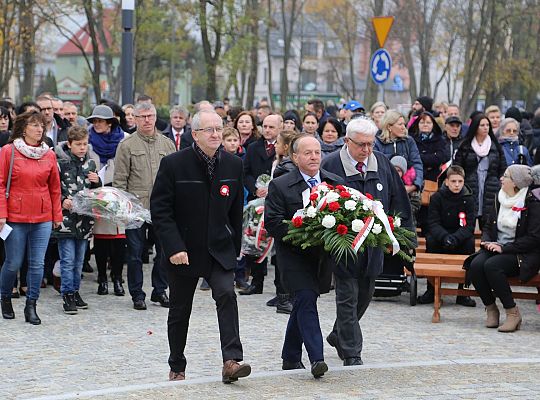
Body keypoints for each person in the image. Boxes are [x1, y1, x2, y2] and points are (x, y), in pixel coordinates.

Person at [150, 109, 251, 383]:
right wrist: (173, 247)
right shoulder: (173, 164)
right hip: (184, 250)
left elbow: (235, 211)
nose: (216, 134)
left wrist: (235, 245)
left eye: (219, 128)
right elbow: (160, 210)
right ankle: (177, 365)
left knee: (226, 295)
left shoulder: (233, 164)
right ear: (195, 134)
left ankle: (231, 360)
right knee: (180, 310)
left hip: (218, 248)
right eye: (209, 130)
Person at [321, 118, 414, 366]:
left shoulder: (381, 162)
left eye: (370, 144)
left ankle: (339, 333)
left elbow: (398, 199)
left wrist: (404, 235)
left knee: (365, 294)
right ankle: (352, 353)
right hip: (343, 243)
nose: (367, 150)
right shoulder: (330, 165)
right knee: (347, 294)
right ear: (347, 141)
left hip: (373, 243)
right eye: (361, 145)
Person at [265, 134, 343, 378]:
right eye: (308, 153)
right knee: (306, 299)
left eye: (317, 152)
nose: (314, 157)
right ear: (295, 157)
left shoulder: (334, 183)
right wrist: (304, 229)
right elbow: (273, 223)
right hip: (293, 257)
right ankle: (316, 358)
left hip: (321, 257)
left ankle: (290, 357)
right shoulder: (280, 184)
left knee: (302, 303)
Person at [0, 111, 62, 324]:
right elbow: (0, 184)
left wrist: (57, 215)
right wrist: (2, 214)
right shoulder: (9, 151)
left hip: (42, 216)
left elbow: (55, 187)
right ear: (23, 128)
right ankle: (5, 297)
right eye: (34, 125)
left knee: (37, 264)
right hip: (15, 216)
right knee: (13, 262)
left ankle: (31, 305)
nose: (39, 129)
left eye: (41, 126)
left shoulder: (49, 154)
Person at [114, 102, 175, 310]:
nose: (147, 120)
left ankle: (160, 290)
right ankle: (137, 294)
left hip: (162, 208)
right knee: (135, 253)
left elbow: (175, 178)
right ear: (136, 119)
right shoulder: (127, 145)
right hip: (136, 209)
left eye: (150, 116)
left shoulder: (167, 144)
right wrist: (123, 209)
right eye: (143, 116)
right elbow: (120, 180)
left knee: (165, 251)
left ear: (156, 117)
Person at [467, 164, 540, 332]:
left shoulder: (532, 202)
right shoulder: (499, 197)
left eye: (506, 176)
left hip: (522, 253)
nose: (501, 178)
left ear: (516, 182)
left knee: (492, 266)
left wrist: (504, 248)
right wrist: (486, 241)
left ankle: (513, 313)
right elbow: (487, 226)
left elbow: (534, 238)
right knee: (475, 266)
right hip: (497, 246)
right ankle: (491, 308)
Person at [53, 126, 100, 314]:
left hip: (84, 221)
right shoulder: (61, 163)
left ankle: (75, 291)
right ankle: (67, 294)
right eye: (78, 144)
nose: (82, 148)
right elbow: (54, 188)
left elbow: (96, 192)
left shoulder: (90, 163)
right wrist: (63, 200)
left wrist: (97, 181)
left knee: (79, 260)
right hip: (66, 221)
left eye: (85, 144)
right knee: (67, 259)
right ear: (70, 144)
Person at [418, 165, 476, 306]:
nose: (457, 185)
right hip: (441, 236)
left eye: (460, 182)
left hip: (459, 237)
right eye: (454, 181)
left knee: (470, 243)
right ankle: (431, 290)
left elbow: (469, 226)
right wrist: (445, 237)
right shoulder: (437, 197)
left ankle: (464, 292)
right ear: (447, 182)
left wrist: (455, 238)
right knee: (431, 241)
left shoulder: (468, 199)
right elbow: (432, 222)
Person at [87, 105, 128, 296]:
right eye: (94, 121)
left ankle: (117, 279)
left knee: (119, 240)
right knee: (101, 240)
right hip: (96, 194)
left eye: (100, 121)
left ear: (110, 122)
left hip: (118, 193)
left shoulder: (124, 140)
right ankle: (102, 279)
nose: (96, 124)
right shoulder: (87, 141)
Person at [240, 114, 281, 295]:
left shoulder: (283, 148)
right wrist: (255, 189)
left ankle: (282, 287)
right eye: (265, 126)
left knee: (276, 243)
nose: (267, 130)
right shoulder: (253, 147)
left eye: (272, 127)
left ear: (280, 128)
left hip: (277, 200)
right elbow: (245, 171)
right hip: (257, 200)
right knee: (256, 239)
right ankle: (257, 282)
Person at [454, 113, 506, 230]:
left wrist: (500, 181)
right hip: (470, 186)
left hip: (490, 188)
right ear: (475, 127)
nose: (485, 127)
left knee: (488, 224)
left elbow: (503, 168)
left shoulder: (495, 146)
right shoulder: (465, 146)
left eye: (487, 125)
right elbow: (457, 168)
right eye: (482, 125)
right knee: (468, 223)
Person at [375, 110, 424, 196]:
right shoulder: (377, 142)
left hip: (408, 190)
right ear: (389, 126)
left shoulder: (409, 141)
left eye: (404, 124)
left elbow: (417, 164)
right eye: (400, 124)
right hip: (384, 190)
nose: (403, 128)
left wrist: (415, 185)